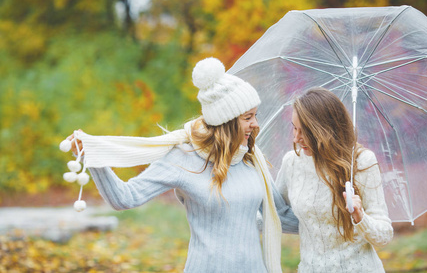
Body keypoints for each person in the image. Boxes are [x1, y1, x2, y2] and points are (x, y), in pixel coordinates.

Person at [61, 57, 298, 273]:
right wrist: (95, 156)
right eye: (248, 117)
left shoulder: (252, 159)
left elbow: (282, 217)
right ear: (226, 122)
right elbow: (125, 197)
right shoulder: (184, 157)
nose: (256, 124)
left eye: (255, 115)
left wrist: (332, 217)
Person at [275, 87, 393, 272]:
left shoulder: (362, 161)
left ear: (325, 130)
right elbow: (275, 214)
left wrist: (360, 216)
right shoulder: (292, 162)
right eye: (294, 128)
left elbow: (384, 236)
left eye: (304, 131)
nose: (297, 138)